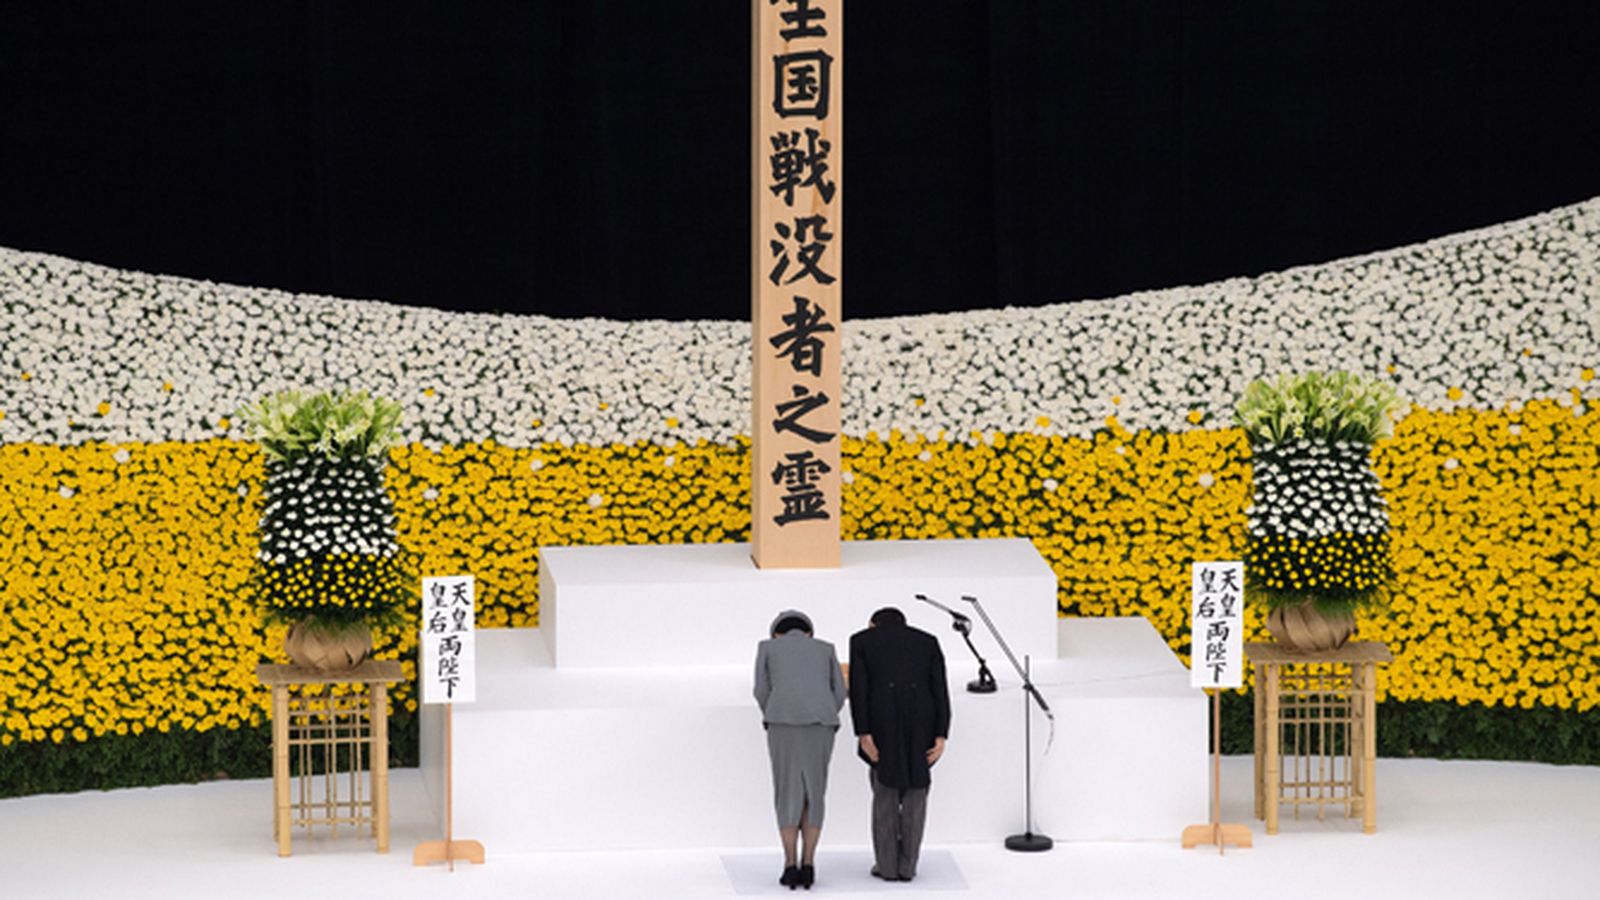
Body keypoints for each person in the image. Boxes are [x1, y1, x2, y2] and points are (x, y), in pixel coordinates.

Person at [848, 606, 951, 883]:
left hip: (881, 722)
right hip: (923, 723)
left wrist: (863, 732)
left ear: (873, 624)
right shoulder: (927, 641)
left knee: (885, 793)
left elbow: (859, 690)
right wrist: (941, 734)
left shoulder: (861, 641)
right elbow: (940, 688)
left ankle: (887, 866)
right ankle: (908, 866)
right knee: (917, 793)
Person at [754, 609, 846, 891]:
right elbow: (840, 691)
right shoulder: (826, 648)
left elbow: (761, 689)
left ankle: (789, 864)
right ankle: (809, 864)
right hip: (821, 722)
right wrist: (825, 710)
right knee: (814, 791)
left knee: (787, 791)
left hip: (782, 721)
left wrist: (774, 710)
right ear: (809, 632)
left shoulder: (767, 647)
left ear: (777, 632)